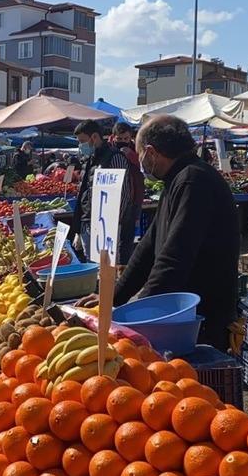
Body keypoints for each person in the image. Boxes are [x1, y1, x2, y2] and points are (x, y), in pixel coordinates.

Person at [89, 115, 239, 349]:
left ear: (150, 152)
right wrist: (112, 298)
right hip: (179, 310)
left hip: (199, 315)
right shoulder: (177, 179)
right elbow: (148, 247)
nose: (140, 161)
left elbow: (175, 256)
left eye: (139, 154)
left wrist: (139, 310)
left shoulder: (193, 180)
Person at [69, 120, 142, 265]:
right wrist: (79, 228)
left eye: (82, 141)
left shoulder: (115, 157)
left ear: (94, 137)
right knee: (93, 268)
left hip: (105, 228)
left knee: (106, 270)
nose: (80, 145)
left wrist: (113, 227)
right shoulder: (89, 159)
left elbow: (123, 194)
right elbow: (85, 193)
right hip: (88, 222)